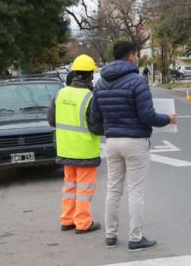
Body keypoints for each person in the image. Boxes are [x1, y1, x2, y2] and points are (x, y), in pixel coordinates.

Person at [91, 41, 178, 251]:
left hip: (111, 142)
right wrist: (167, 118)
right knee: (135, 191)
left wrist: (113, 127)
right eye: (136, 55)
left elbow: (95, 118)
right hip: (135, 142)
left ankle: (110, 236)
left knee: (113, 189)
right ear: (131, 56)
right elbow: (147, 116)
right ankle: (135, 238)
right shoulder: (138, 82)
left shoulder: (100, 83)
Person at [47, 54, 103, 233]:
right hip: (85, 151)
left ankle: (67, 219)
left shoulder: (60, 94)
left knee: (70, 187)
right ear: (90, 75)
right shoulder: (89, 97)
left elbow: (51, 120)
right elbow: (96, 127)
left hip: (66, 150)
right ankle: (83, 223)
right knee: (84, 189)